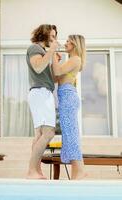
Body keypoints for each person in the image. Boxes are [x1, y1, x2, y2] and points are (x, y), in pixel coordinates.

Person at [26, 24, 59, 179]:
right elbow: (38, 67)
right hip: (40, 93)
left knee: (40, 135)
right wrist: (52, 50)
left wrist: (53, 60)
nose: (54, 39)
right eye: (51, 36)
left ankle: (35, 171)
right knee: (48, 132)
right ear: (43, 35)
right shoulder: (34, 49)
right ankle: (32, 170)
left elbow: (50, 78)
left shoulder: (42, 52)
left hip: (42, 92)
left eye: (55, 36)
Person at [52, 35, 87, 180]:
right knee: (69, 134)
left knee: (71, 134)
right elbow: (56, 77)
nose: (65, 44)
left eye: (68, 42)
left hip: (68, 97)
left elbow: (58, 72)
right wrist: (56, 60)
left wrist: (53, 54)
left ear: (74, 44)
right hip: (65, 97)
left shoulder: (75, 59)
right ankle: (77, 172)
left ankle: (80, 171)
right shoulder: (70, 60)